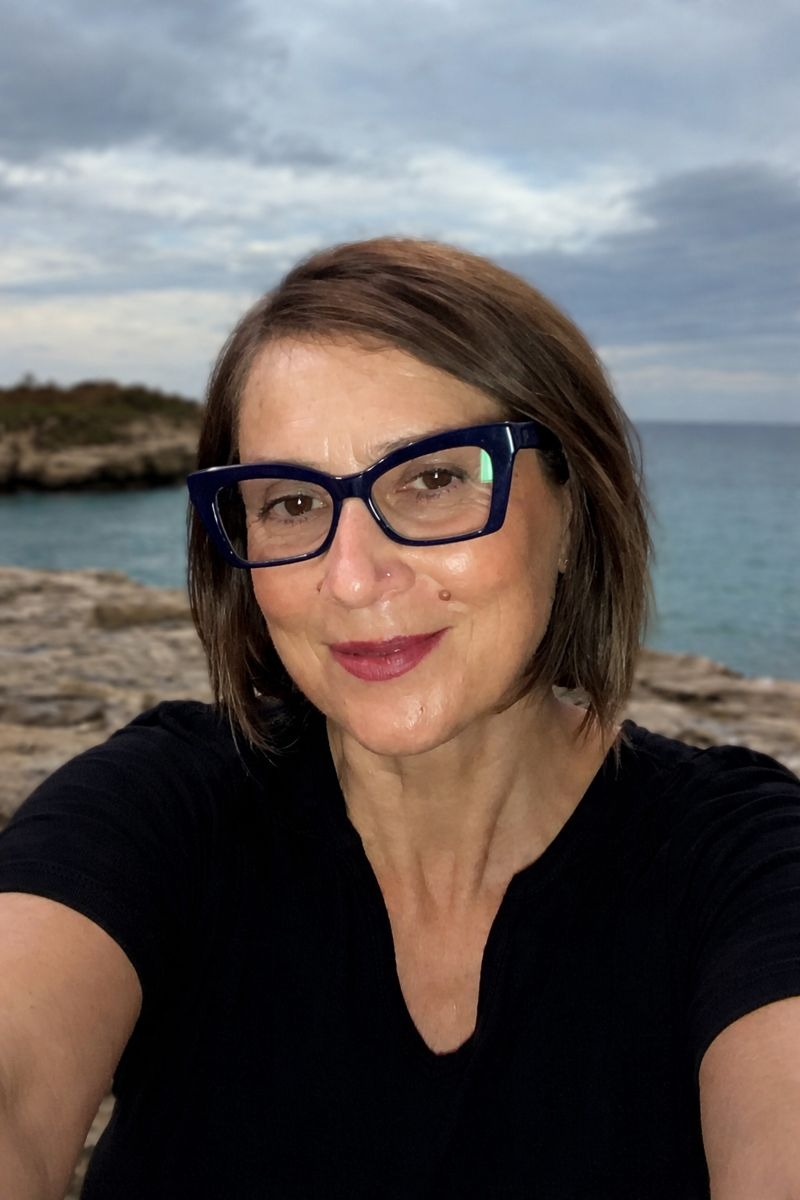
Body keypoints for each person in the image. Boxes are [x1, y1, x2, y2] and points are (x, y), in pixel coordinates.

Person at [0, 237, 799, 1200]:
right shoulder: (164, 807)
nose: (351, 578)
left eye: (432, 480)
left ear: (575, 508)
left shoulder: (741, 865)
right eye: (293, 501)